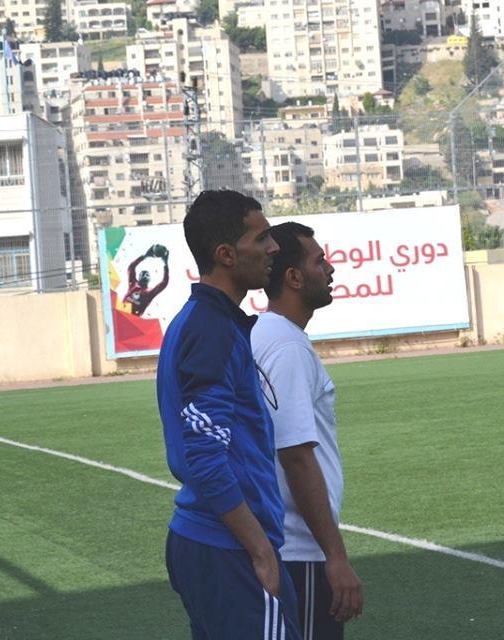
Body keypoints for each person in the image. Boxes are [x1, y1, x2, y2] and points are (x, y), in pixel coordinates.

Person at [156, 190, 301, 640]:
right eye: (261, 239)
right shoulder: (211, 329)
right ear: (225, 254)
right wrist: (260, 550)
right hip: (228, 547)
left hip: (211, 543)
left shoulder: (202, 320)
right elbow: (204, 457)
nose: (274, 248)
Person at [251, 222, 364, 640]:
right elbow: (296, 455)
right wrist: (334, 556)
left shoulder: (265, 333)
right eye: (320, 262)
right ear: (294, 278)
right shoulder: (287, 346)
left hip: (282, 544)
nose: (330, 269)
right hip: (299, 549)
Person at [124, 244, 170, 316]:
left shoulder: (150, 292)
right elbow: (131, 268)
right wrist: (145, 256)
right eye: (142, 274)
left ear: (149, 280)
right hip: (120, 313)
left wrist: (165, 264)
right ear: (138, 277)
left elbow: (164, 283)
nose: (145, 275)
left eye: (147, 275)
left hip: (132, 319)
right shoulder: (133, 284)